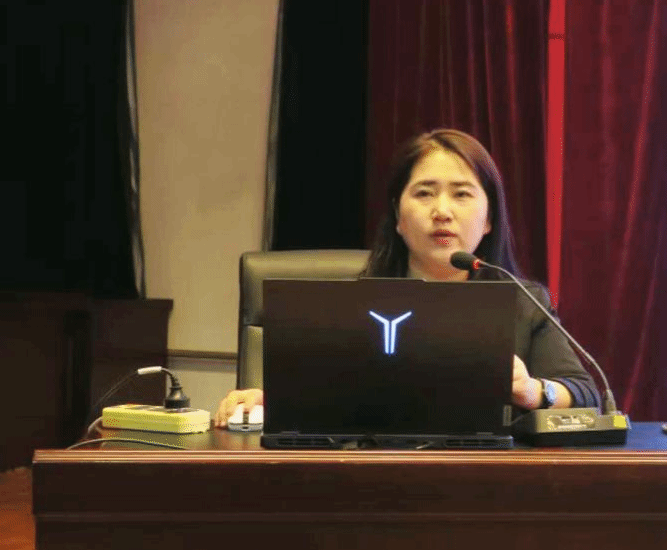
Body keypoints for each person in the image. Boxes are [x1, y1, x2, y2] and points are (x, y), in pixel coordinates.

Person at [214, 128, 599, 427]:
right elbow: (309, 397)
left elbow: (586, 395)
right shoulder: (348, 308)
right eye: (425, 194)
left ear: (489, 219)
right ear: (398, 216)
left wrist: (534, 391)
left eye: (462, 194)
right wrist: (264, 399)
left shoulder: (523, 303)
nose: (442, 211)